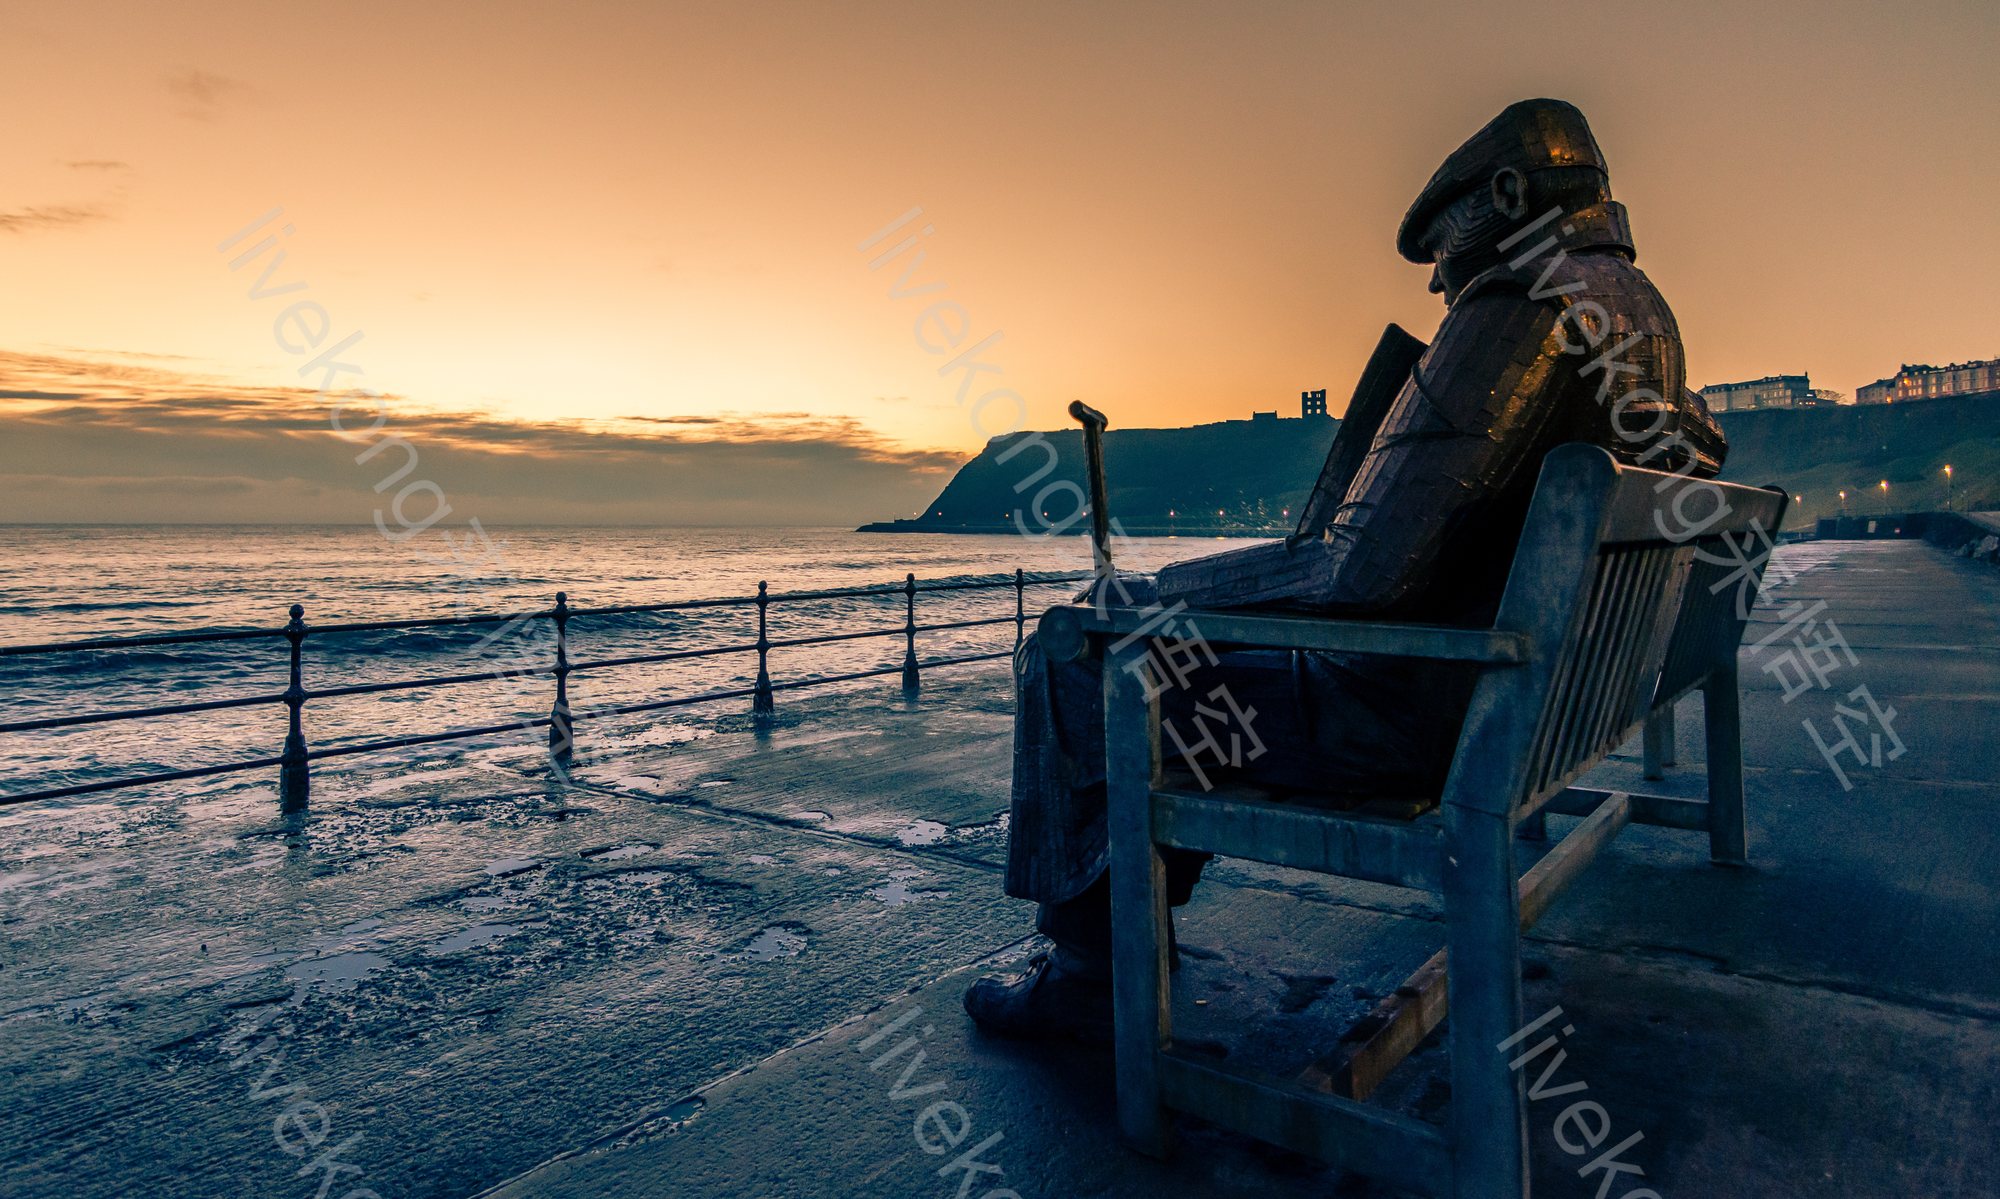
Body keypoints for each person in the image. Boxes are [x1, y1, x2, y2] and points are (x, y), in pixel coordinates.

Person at [964, 98, 1727, 1041]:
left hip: (1415, 722)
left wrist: (1158, 594)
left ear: (1506, 194)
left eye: (1442, 249)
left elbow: (1360, 574)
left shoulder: (1523, 304)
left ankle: (1089, 976)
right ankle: (1127, 933)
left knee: (1075, 653)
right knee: (1139, 641)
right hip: (1535, 700)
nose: (1440, 281)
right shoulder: (1645, 317)